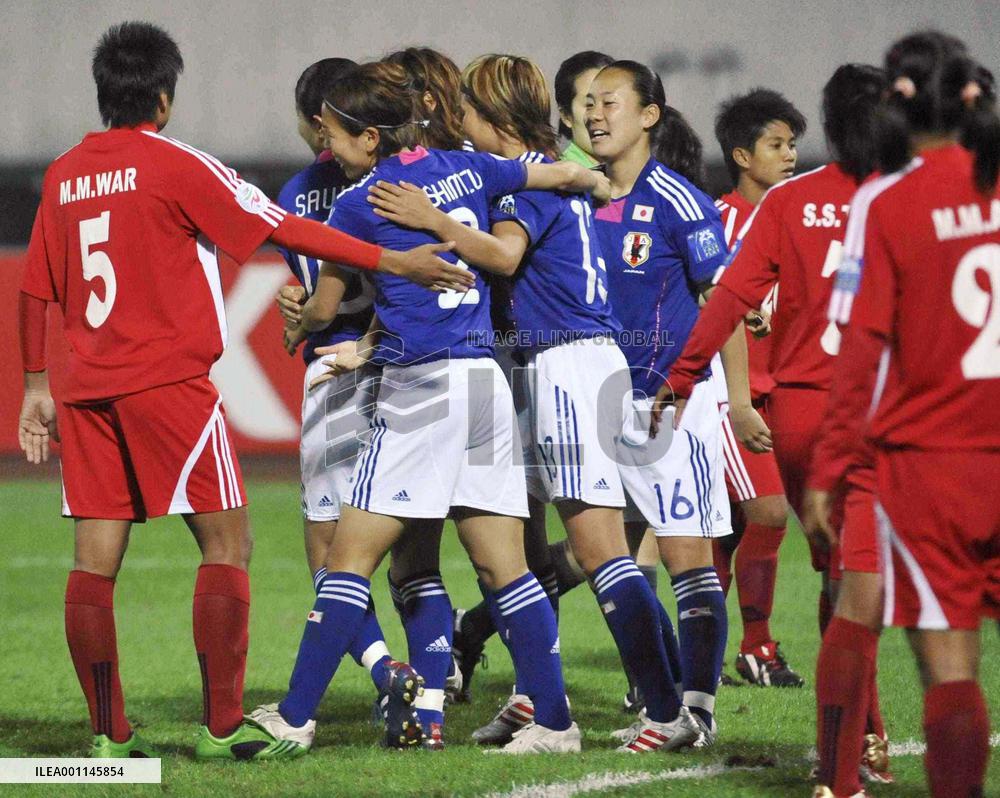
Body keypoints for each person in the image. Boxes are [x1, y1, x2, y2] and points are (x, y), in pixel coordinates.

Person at [15, 22, 471, 762]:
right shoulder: (175, 164)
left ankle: (105, 734)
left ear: (104, 94)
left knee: (93, 563)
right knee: (228, 543)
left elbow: (34, 290)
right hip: (167, 385)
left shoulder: (64, 175)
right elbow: (286, 226)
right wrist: (393, 259)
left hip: (86, 389)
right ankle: (223, 723)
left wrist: (37, 385)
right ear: (163, 98)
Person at [248, 59, 614, 755]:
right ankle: (556, 723)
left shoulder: (359, 204)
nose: (328, 148)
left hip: (420, 389)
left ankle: (293, 717)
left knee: (347, 560)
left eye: (333, 135)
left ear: (366, 137)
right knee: (503, 566)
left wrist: (299, 324)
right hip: (484, 384)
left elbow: (327, 301)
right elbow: (551, 174)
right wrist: (593, 176)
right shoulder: (465, 167)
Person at [368, 53, 701, 753]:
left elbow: (503, 257)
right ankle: (533, 694)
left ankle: (668, 711)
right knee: (527, 550)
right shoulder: (550, 171)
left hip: (568, 366)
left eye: (466, 115)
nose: (458, 128)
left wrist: (433, 219)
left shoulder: (526, 192)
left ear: (493, 120)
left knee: (601, 549)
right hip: (550, 366)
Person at [660, 64, 894, 791]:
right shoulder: (926, 198)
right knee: (869, 586)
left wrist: (677, 376)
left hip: (802, 415)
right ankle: (853, 755)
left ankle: (857, 746)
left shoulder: (793, 201)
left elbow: (729, 295)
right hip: (892, 415)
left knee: (843, 576)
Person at [803, 32, 998, 798]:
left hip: (937, 465)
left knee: (952, 666)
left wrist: (827, 472)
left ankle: (842, 779)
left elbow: (857, 352)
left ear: (898, 105)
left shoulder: (887, 201)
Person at [585, 60, 751, 747]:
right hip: (598, 399)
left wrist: (735, 400)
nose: (595, 115)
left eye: (611, 103)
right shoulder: (578, 198)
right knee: (599, 554)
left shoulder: (679, 201)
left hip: (670, 401)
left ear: (650, 115)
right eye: (588, 104)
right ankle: (662, 700)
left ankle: (697, 710)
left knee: (687, 555)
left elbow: (727, 303)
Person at [712, 88, 806, 687]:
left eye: (793, 144)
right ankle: (756, 646)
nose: (790, 156)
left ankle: (695, 653)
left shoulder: (794, 220)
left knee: (732, 528)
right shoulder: (715, 219)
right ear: (743, 156)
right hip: (725, 393)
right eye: (777, 145)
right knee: (769, 514)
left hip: (777, 388)